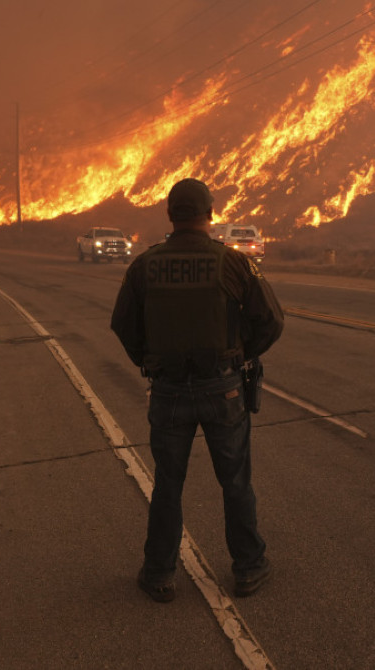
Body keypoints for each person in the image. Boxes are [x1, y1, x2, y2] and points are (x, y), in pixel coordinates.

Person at [110, 178, 284, 603]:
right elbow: (272, 321)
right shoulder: (232, 263)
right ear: (210, 213)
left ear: (170, 214)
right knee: (235, 482)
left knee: (168, 483)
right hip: (222, 388)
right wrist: (241, 353)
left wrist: (149, 361)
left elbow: (123, 325)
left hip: (168, 390)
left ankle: (159, 574)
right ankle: (247, 568)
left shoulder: (145, 266)